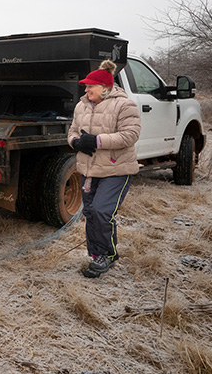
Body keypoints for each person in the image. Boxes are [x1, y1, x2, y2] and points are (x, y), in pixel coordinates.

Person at [68, 59, 141, 278]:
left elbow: (131, 135)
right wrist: (76, 142)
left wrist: (97, 141)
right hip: (90, 171)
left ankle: (107, 255)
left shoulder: (124, 105)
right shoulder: (81, 106)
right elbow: (72, 131)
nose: (86, 89)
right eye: (86, 85)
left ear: (105, 87)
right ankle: (97, 255)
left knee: (101, 211)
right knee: (91, 213)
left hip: (116, 169)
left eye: (91, 85)